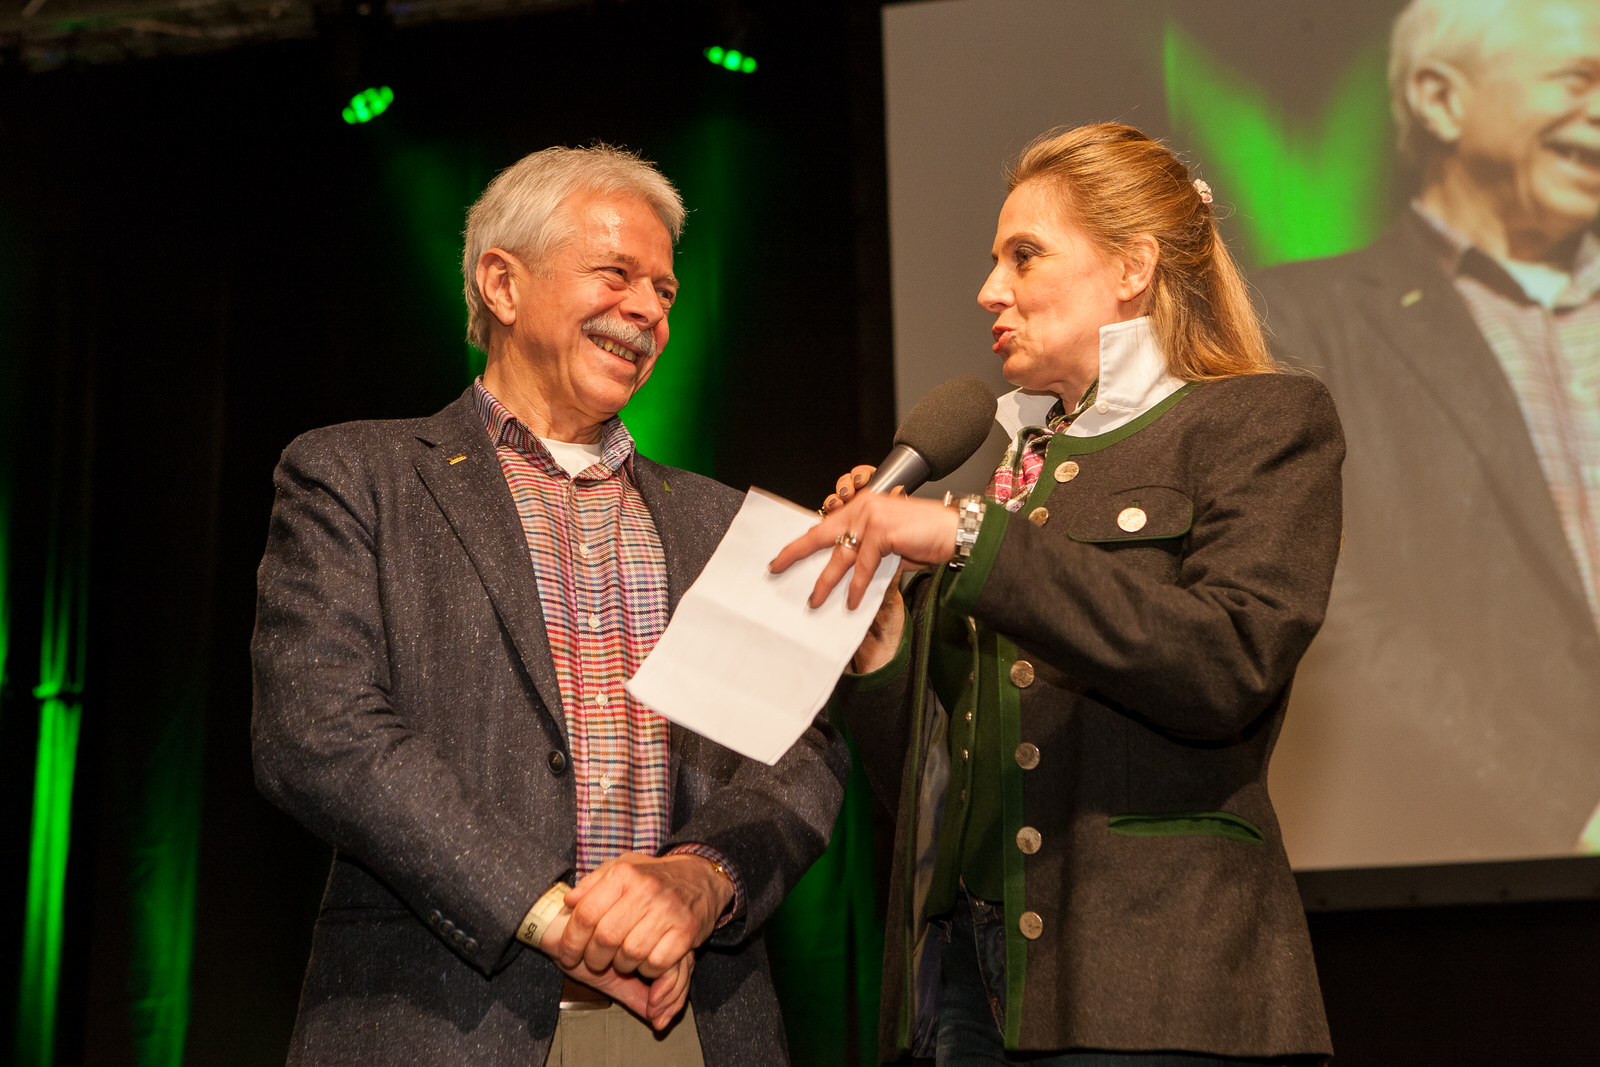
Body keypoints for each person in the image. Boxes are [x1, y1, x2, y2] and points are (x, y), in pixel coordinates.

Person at [251, 145, 848, 1066]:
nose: (649, 310)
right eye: (616, 274)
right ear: (502, 283)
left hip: (691, 1022)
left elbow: (802, 747)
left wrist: (703, 879)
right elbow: (316, 727)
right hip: (440, 1017)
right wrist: (550, 913)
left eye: (665, 290)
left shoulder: (725, 519)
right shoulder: (356, 475)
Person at [772, 123, 1341, 1065]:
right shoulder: (1013, 469)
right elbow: (935, 782)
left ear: (1133, 266)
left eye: (1024, 256)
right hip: (963, 980)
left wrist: (967, 535)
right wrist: (884, 646)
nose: (989, 290)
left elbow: (1228, 661)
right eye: (995, 260)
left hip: (1155, 980)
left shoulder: (1260, 421)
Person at [1252, 0, 1600, 868]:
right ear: (1442, 99)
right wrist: (1564, 805)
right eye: (1578, 79)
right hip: (1463, 877)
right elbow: (1326, 604)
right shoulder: (1302, 321)